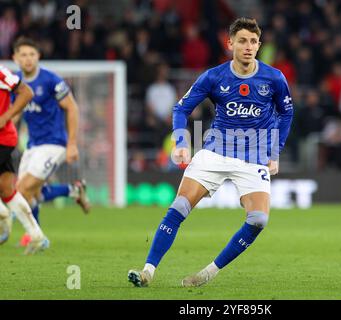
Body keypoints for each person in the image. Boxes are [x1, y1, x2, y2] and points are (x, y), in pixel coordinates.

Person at [128, 17, 293, 287]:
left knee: (259, 219)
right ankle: (147, 271)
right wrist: (181, 141)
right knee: (179, 206)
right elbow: (181, 108)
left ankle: (208, 272)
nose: (248, 46)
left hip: (253, 158)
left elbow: (287, 113)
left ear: (259, 45)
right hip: (215, 152)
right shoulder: (214, 76)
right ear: (230, 44)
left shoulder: (274, 78)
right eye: (242, 41)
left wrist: (275, 151)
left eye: (253, 41)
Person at [10, 37, 90, 246]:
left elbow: (72, 107)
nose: (28, 59)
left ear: (39, 57)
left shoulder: (51, 80)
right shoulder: (16, 83)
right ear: (15, 58)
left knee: (22, 189)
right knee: (32, 194)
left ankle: (36, 236)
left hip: (54, 144)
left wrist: (72, 143)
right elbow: (14, 115)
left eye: (32, 54)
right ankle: (73, 190)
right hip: (32, 145)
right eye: (23, 55)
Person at [0, 64, 48, 254]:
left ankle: (3, 215)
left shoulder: (1, 73)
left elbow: (26, 92)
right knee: (6, 189)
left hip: (3, 138)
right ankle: (36, 235)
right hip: (6, 139)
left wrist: (6, 116)